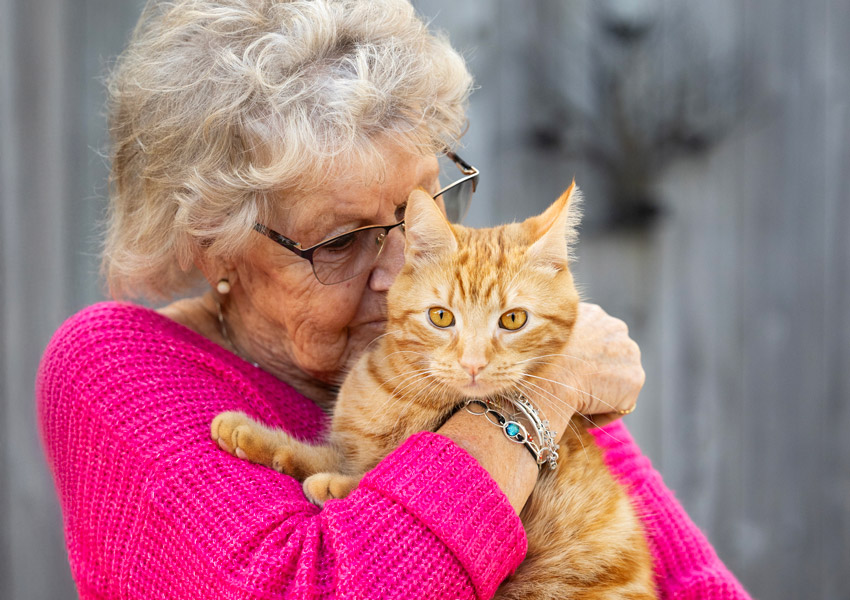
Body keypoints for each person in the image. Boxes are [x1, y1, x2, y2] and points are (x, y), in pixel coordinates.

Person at [37, 1, 751, 598]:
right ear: (210, 243)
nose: (403, 272)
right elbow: (333, 585)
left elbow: (696, 585)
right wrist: (535, 399)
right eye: (343, 241)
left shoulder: (487, 340)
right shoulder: (115, 370)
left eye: (423, 209)